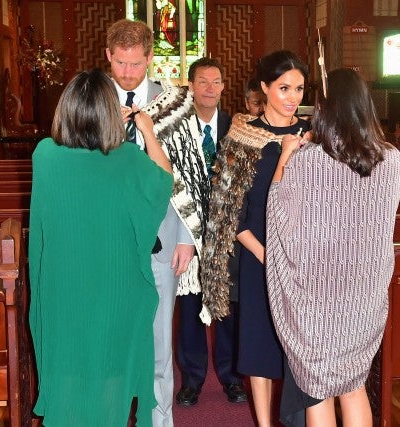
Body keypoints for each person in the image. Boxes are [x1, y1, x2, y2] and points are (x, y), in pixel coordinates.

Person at [28, 69, 173, 427]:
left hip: (64, 291)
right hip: (115, 291)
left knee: (68, 373)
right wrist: (147, 132)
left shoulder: (44, 155)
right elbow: (164, 181)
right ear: (110, 113)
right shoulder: (128, 159)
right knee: (110, 376)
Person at [266, 68, 400, 426]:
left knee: (318, 390)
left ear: (324, 110)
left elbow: (279, 211)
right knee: (355, 387)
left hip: (316, 298)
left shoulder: (307, 160)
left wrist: (285, 156)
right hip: (364, 295)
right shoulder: (391, 159)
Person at [200, 50, 311, 427]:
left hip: (304, 257)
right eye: (283, 88)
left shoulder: (312, 136)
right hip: (258, 254)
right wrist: (268, 256)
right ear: (264, 87)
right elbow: (229, 212)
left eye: (298, 88)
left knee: (304, 346)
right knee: (259, 344)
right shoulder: (242, 137)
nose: (292, 97)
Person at [106, 19, 196, 427]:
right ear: (108, 56)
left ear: (149, 59)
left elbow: (190, 171)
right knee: (110, 338)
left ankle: (160, 422)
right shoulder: (93, 100)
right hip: (107, 239)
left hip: (162, 237)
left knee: (160, 341)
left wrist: (186, 237)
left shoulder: (174, 102)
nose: (128, 73)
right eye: (120, 63)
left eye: (136, 64)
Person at [174, 57, 247, 408]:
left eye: (216, 81)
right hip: (189, 231)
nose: (209, 88)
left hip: (228, 234)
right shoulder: (177, 129)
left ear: (223, 87)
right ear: (191, 86)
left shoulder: (237, 128)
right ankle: (192, 380)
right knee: (190, 307)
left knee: (229, 309)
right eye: (202, 81)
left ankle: (232, 377)